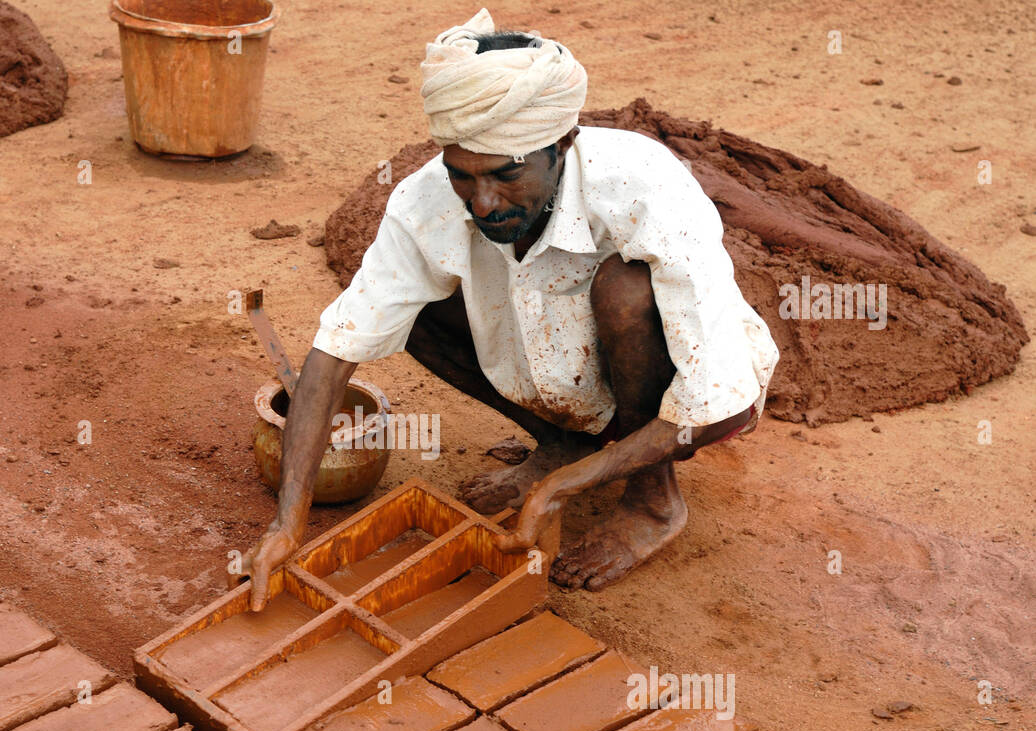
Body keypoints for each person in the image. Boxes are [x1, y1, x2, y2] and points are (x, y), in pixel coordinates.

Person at [233, 8, 779, 610]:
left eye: (506, 175)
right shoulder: (428, 200)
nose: (485, 202)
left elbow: (715, 401)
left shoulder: (645, 188)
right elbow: (337, 348)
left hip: (667, 375)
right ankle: (562, 441)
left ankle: (652, 500)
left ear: (563, 144)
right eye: (463, 177)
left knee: (626, 291)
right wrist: (288, 524)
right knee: (406, 307)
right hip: (545, 354)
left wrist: (564, 490)